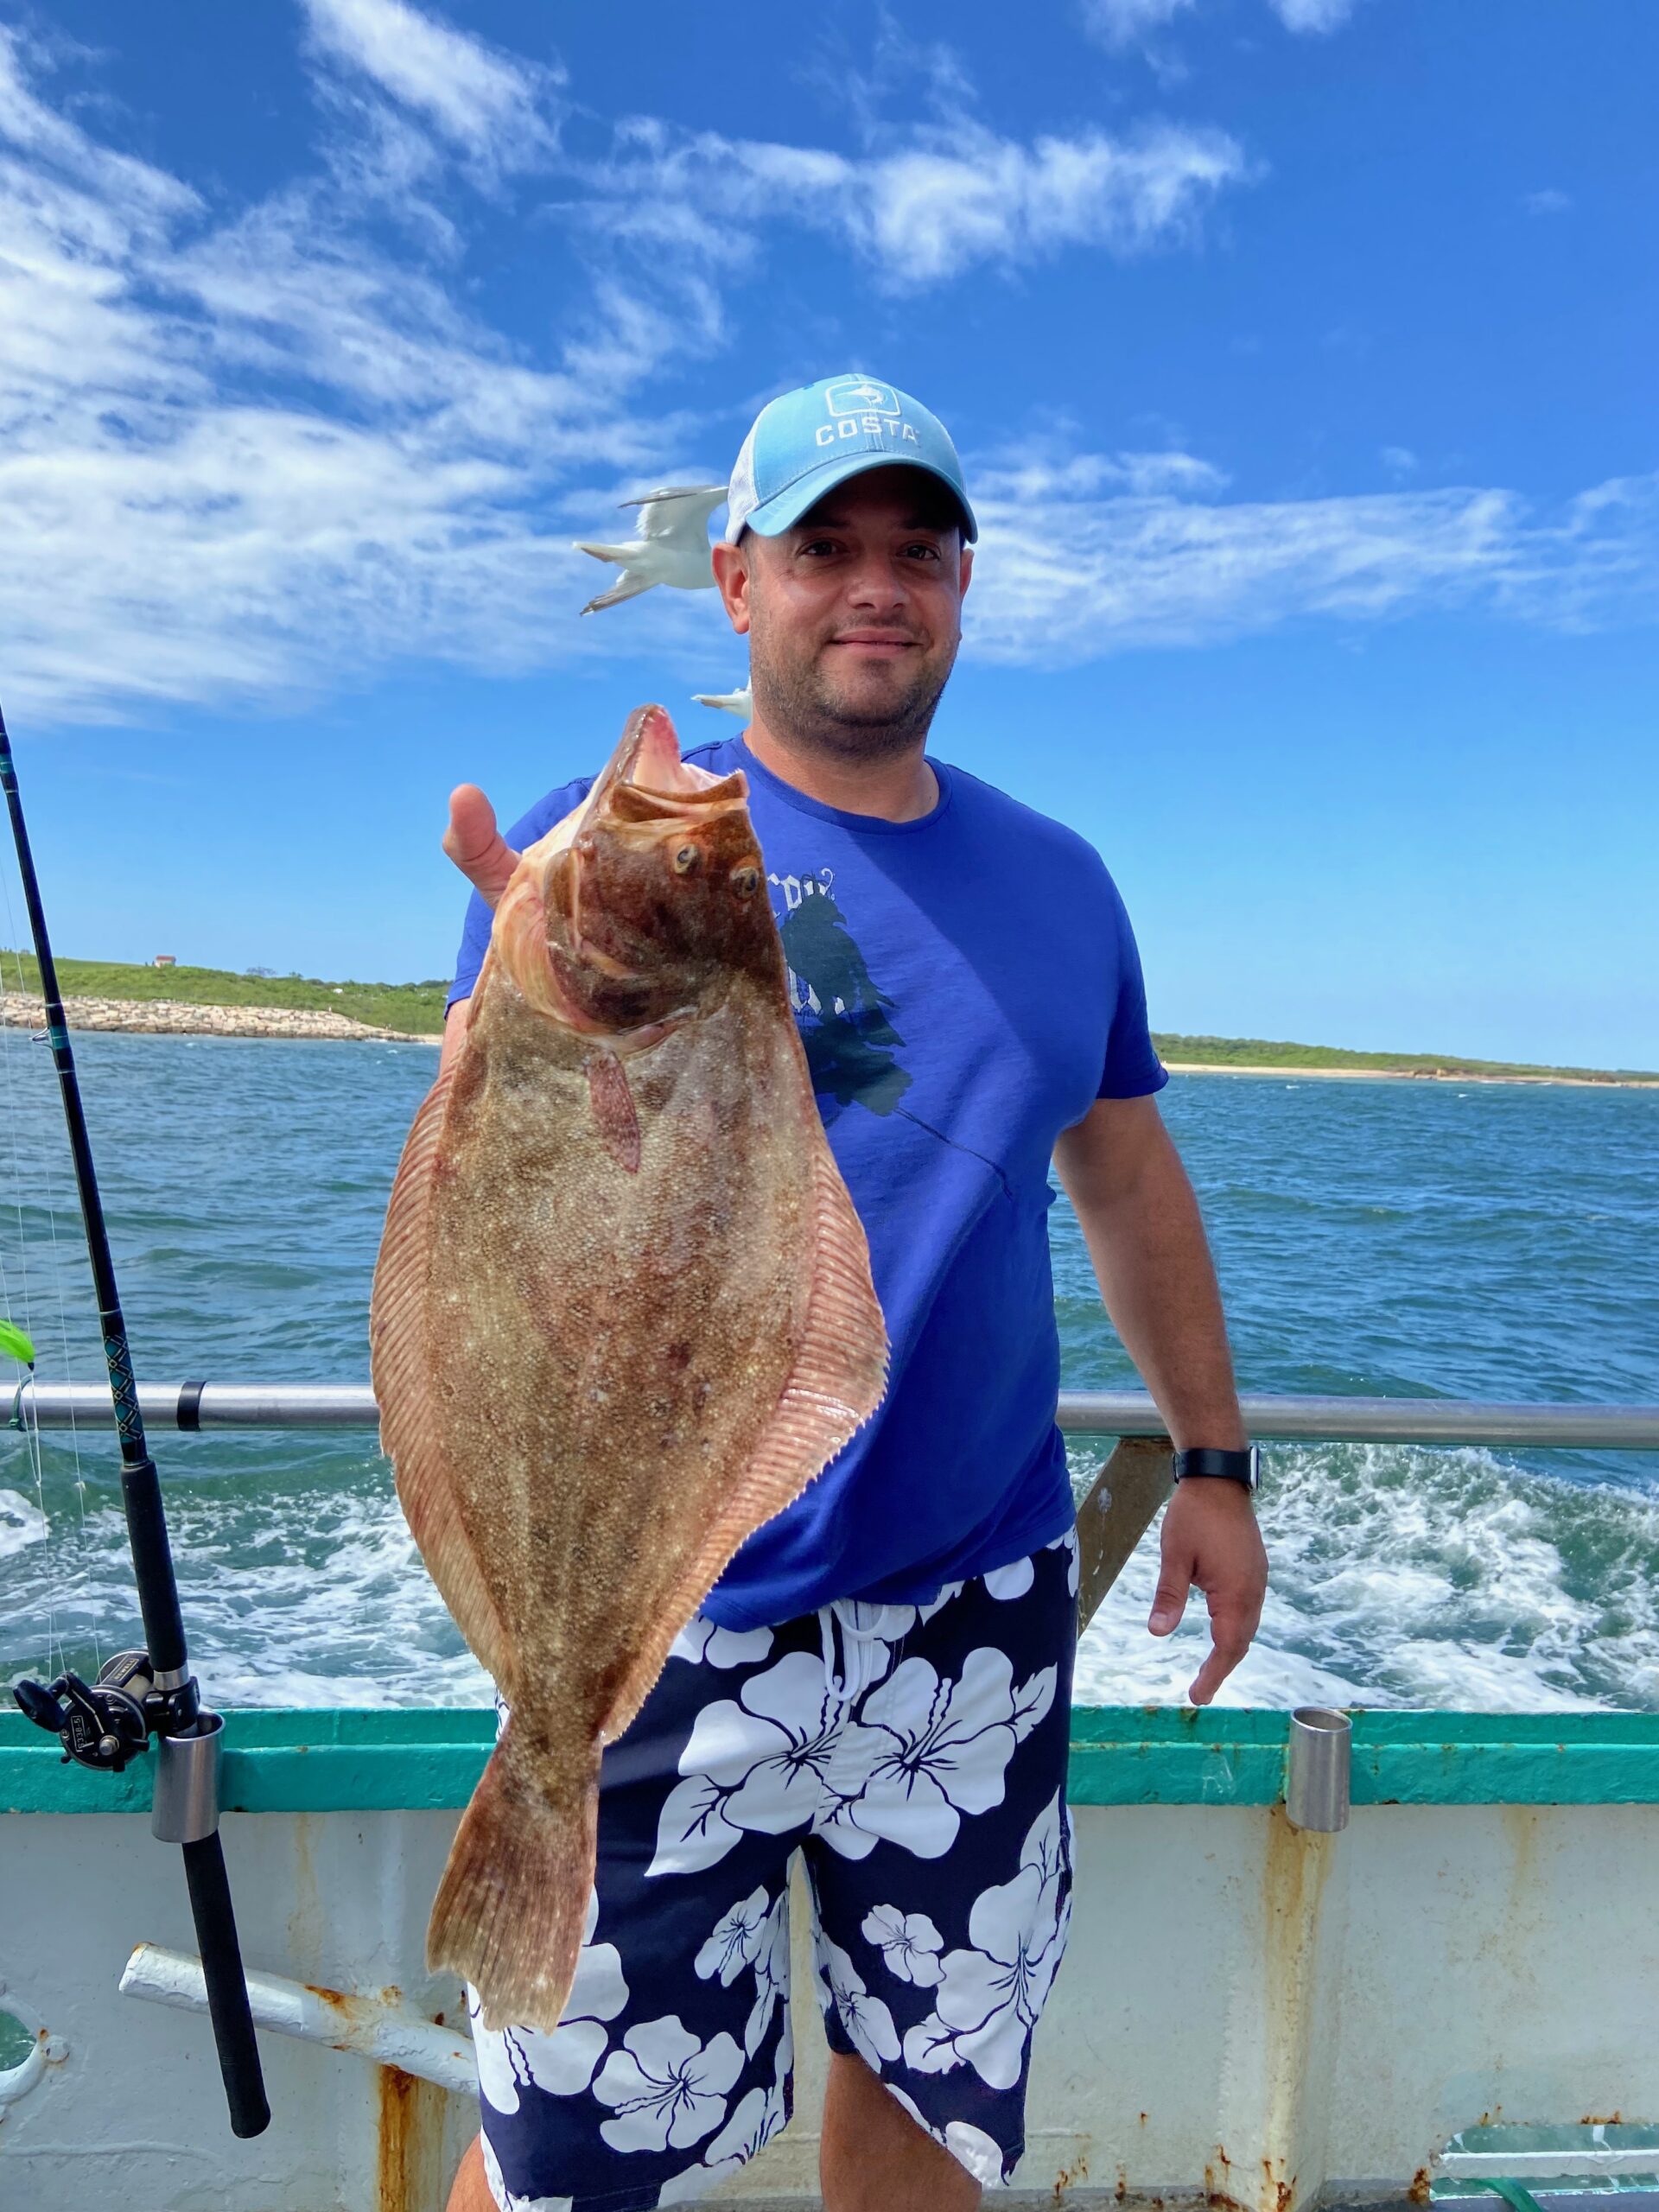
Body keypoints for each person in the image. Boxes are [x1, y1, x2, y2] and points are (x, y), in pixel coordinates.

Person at [436, 374, 1268, 2212]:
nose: (874, 586)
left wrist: (1212, 1459)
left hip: (974, 1608)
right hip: (667, 1610)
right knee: (561, 2150)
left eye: (918, 548)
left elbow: (1126, 1175)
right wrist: (520, 1006)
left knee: (931, 2097)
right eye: (824, 546)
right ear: (738, 580)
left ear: (965, 585)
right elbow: (498, 1234)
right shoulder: (601, 849)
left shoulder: (1063, 885)